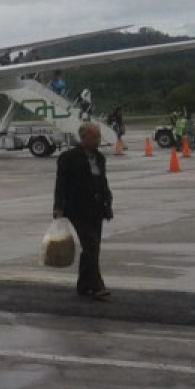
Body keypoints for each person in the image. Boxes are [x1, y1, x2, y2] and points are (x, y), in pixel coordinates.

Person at [53, 123, 114, 300]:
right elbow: (60, 184)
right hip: (77, 209)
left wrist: (108, 203)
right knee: (91, 245)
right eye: (94, 137)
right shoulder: (69, 158)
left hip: (96, 209)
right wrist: (58, 207)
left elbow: (103, 183)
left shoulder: (100, 158)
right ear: (83, 138)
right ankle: (96, 285)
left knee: (92, 248)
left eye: (98, 137)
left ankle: (84, 284)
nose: (98, 140)